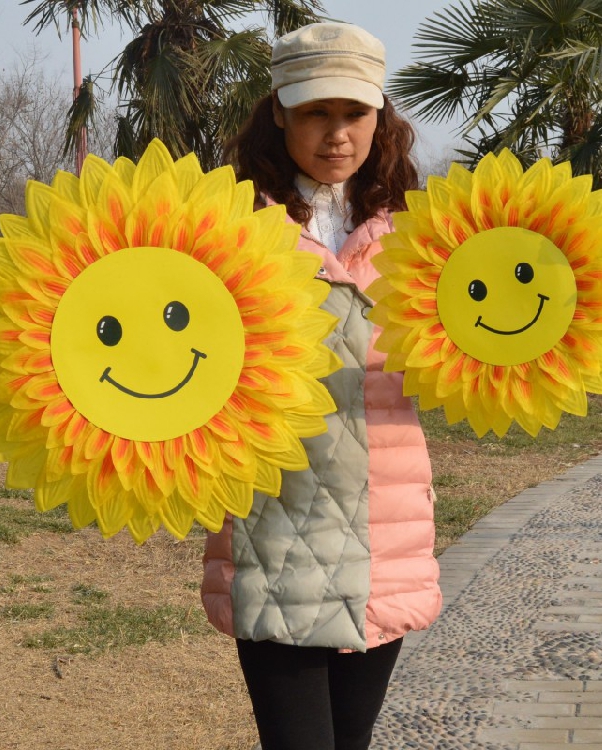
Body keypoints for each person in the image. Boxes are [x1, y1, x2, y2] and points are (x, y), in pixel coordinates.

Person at [201, 22, 442, 750]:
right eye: (314, 112)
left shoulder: (423, 235)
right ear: (278, 111)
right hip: (278, 528)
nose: (336, 134)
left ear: (381, 116)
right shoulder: (229, 228)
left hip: (388, 534)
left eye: (354, 114)